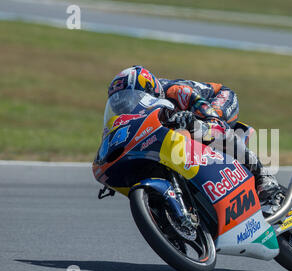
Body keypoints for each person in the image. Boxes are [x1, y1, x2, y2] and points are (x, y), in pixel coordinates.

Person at [105, 65, 283, 206]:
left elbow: (203, 107)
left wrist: (207, 120)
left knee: (210, 129)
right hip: (186, 120)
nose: (130, 107)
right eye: (122, 106)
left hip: (217, 99)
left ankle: (263, 176)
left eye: (134, 99)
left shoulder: (175, 90)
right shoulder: (137, 112)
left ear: (149, 90)